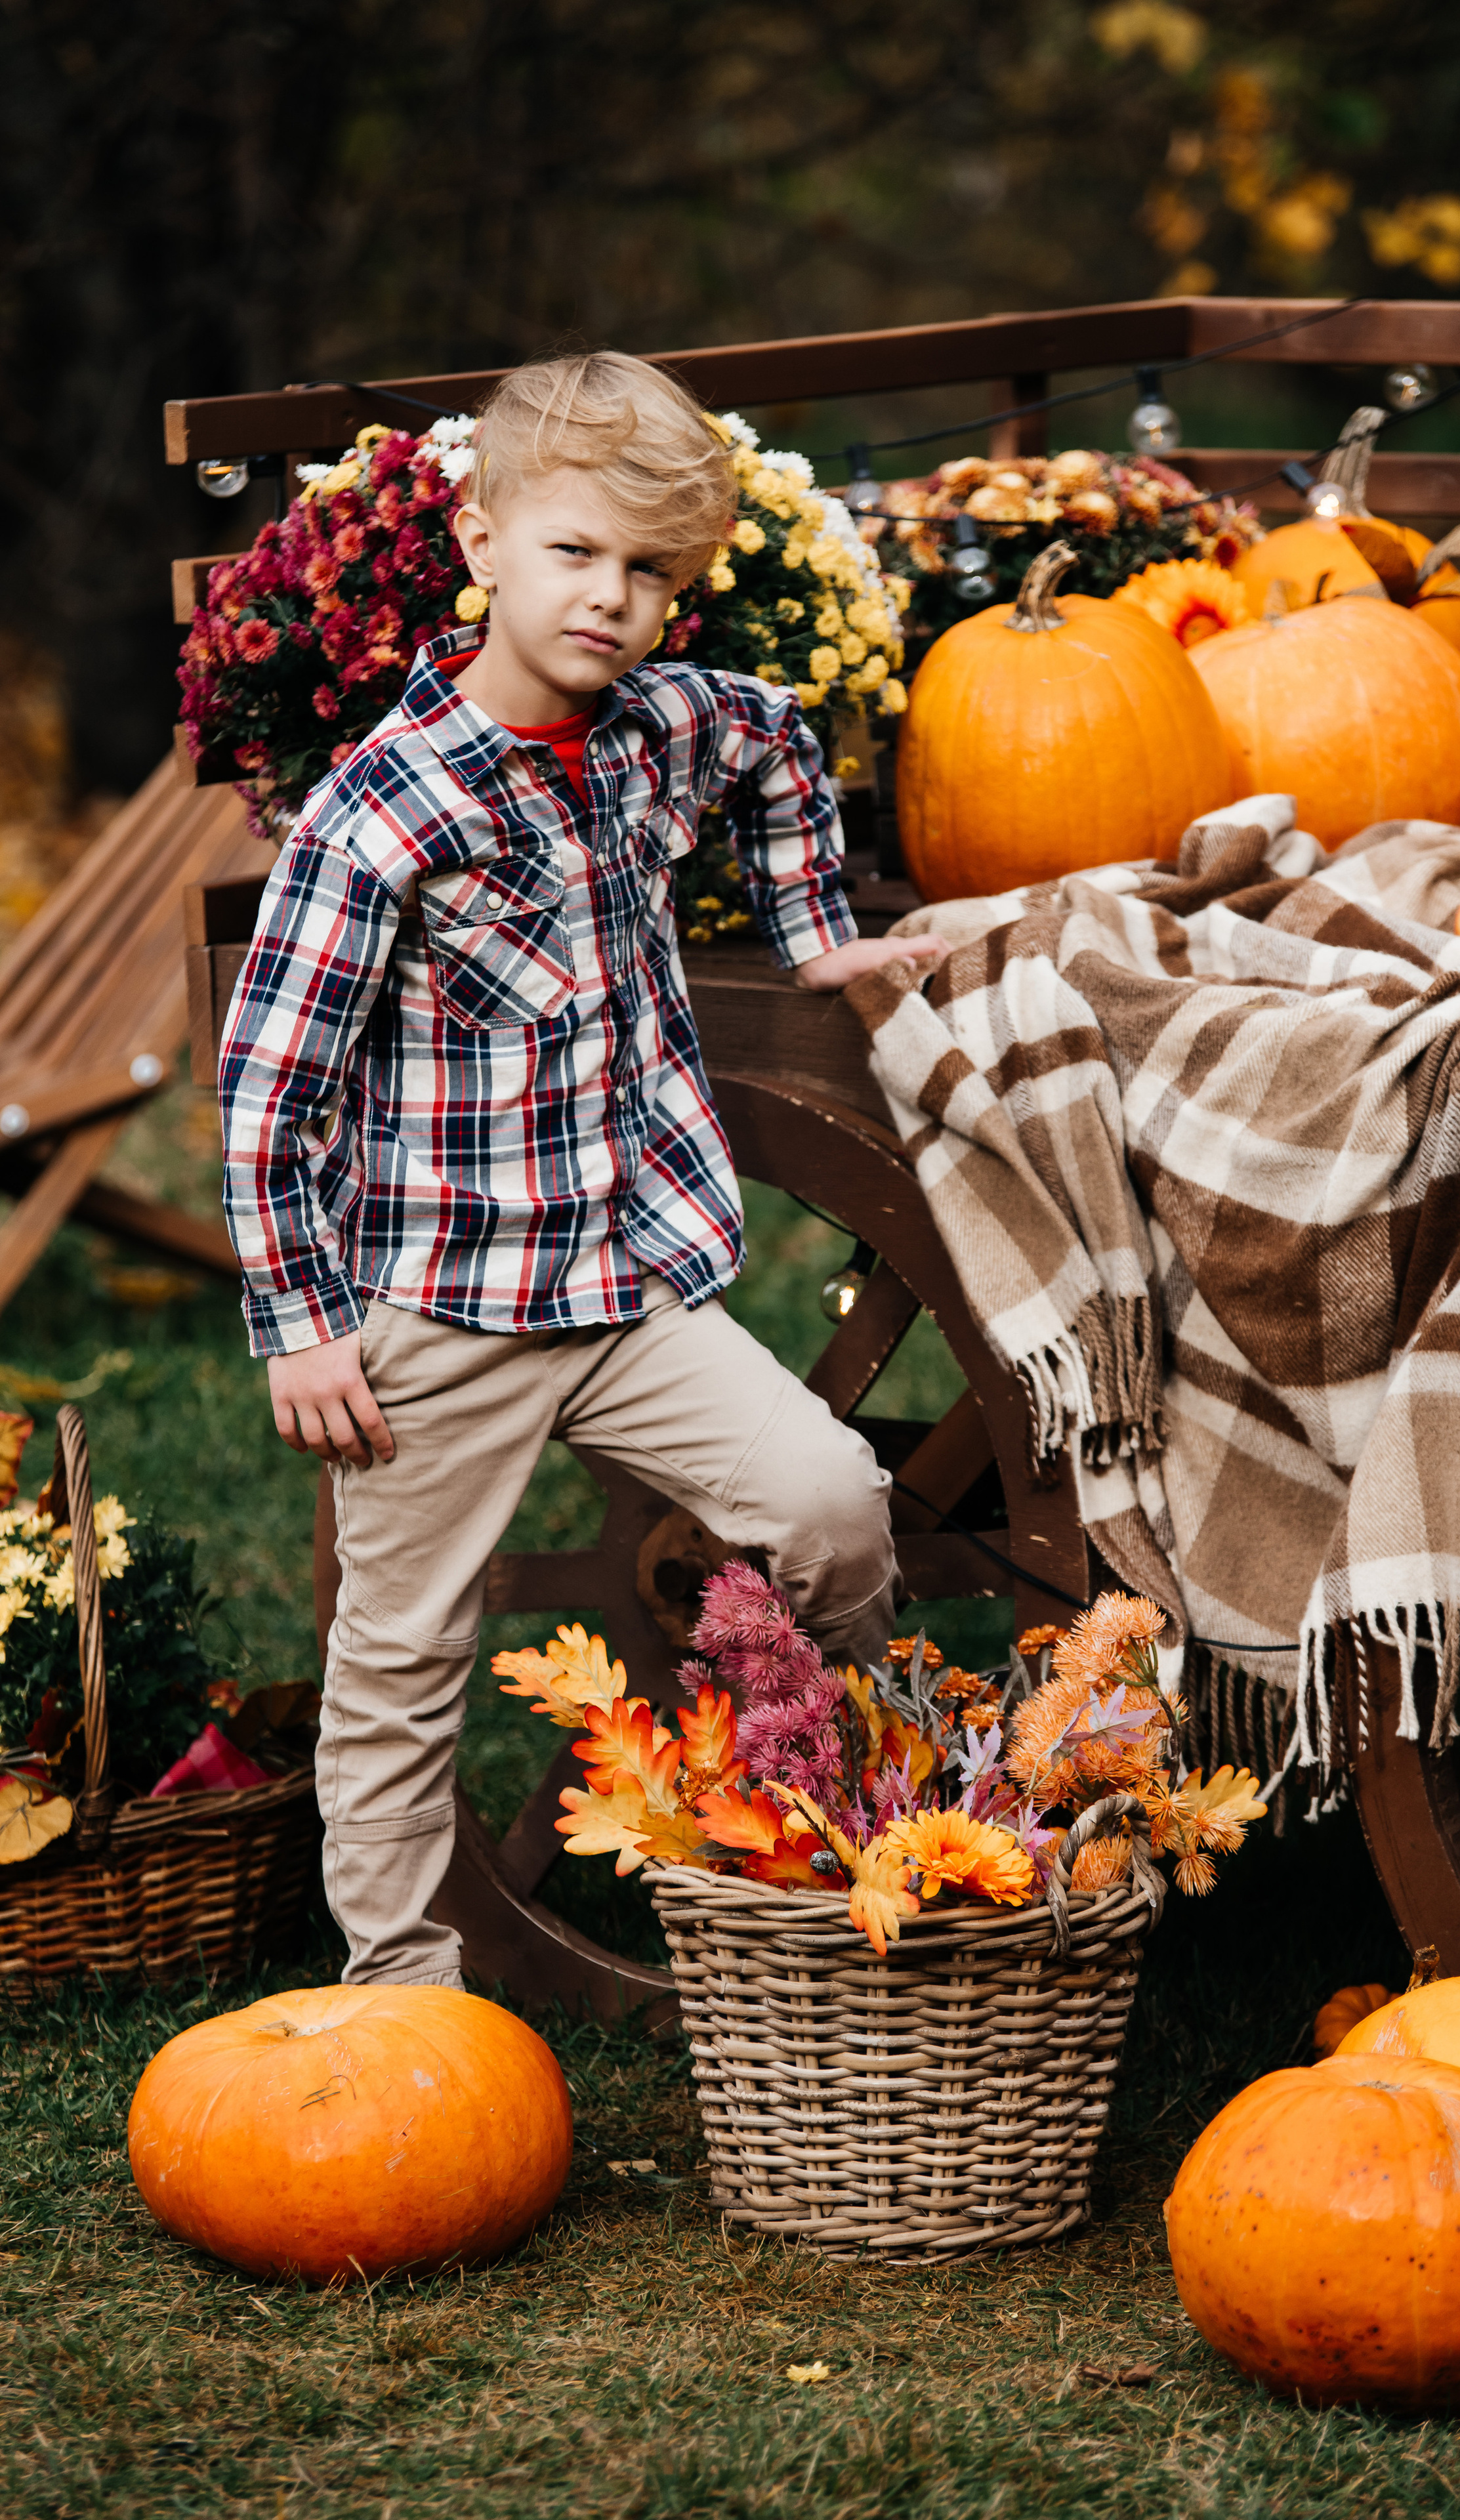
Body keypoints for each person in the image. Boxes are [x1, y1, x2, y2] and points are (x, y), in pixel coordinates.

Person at [219, 350, 946, 1984]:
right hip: (436, 1307)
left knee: (833, 1506)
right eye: (575, 553)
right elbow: (274, 1080)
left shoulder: (659, 732)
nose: (611, 601)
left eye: (650, 574)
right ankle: (403, 1997)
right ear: (480, 543)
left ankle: (809, 1817)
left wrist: (814, 930)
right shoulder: (383, 812)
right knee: (401, 1655)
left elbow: (774, 737)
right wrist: (301, 1319)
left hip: (626, 1286)